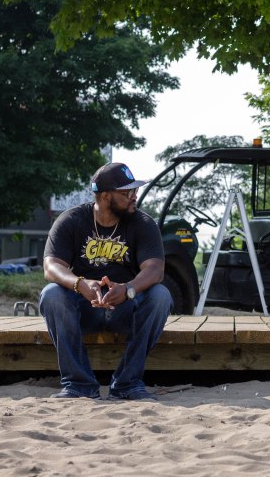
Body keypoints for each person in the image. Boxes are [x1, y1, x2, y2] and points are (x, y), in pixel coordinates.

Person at [39, 162, 173, 401]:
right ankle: (79, 384)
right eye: (126, 192)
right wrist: (80, 284)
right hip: (84, 308)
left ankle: (128, 383)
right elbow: (51, 266)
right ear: (104, 196)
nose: (134, 196)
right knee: (51, 294)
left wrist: (128, 289)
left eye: (135, 191)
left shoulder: (143, 224)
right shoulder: (71, 220)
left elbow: (155, 269)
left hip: (125, 306)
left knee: (161, 296)